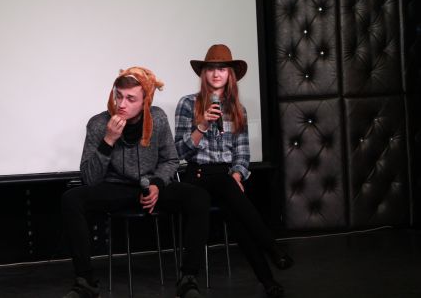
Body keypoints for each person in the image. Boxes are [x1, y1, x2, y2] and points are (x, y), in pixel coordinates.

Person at [61, 67, 211, 298]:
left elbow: (170, 160)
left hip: (152, 184)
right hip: (116, 187)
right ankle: (85, 282)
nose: (122, 104)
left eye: (130, 99)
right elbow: (90, 179)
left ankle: (188, 278)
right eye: (118, 96)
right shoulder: (99, 124)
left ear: (145, 101)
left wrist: (157, 184)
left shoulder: (157, 118)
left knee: (198, 197)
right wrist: (108, 140)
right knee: (71, 199)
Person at [174, 44, 293, 298]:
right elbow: (179, 152)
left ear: (230, 74)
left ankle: (268, 280)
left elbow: (242, 153)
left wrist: (238, 174)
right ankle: (273, 249)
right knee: (226, 189)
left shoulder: (238, 109)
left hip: (225, 177)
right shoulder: (187, 104)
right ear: (204, 73)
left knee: (237, 216)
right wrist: (202, 125)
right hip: (197, 175)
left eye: (222, 68)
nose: (217, 73)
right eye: (211, 68)